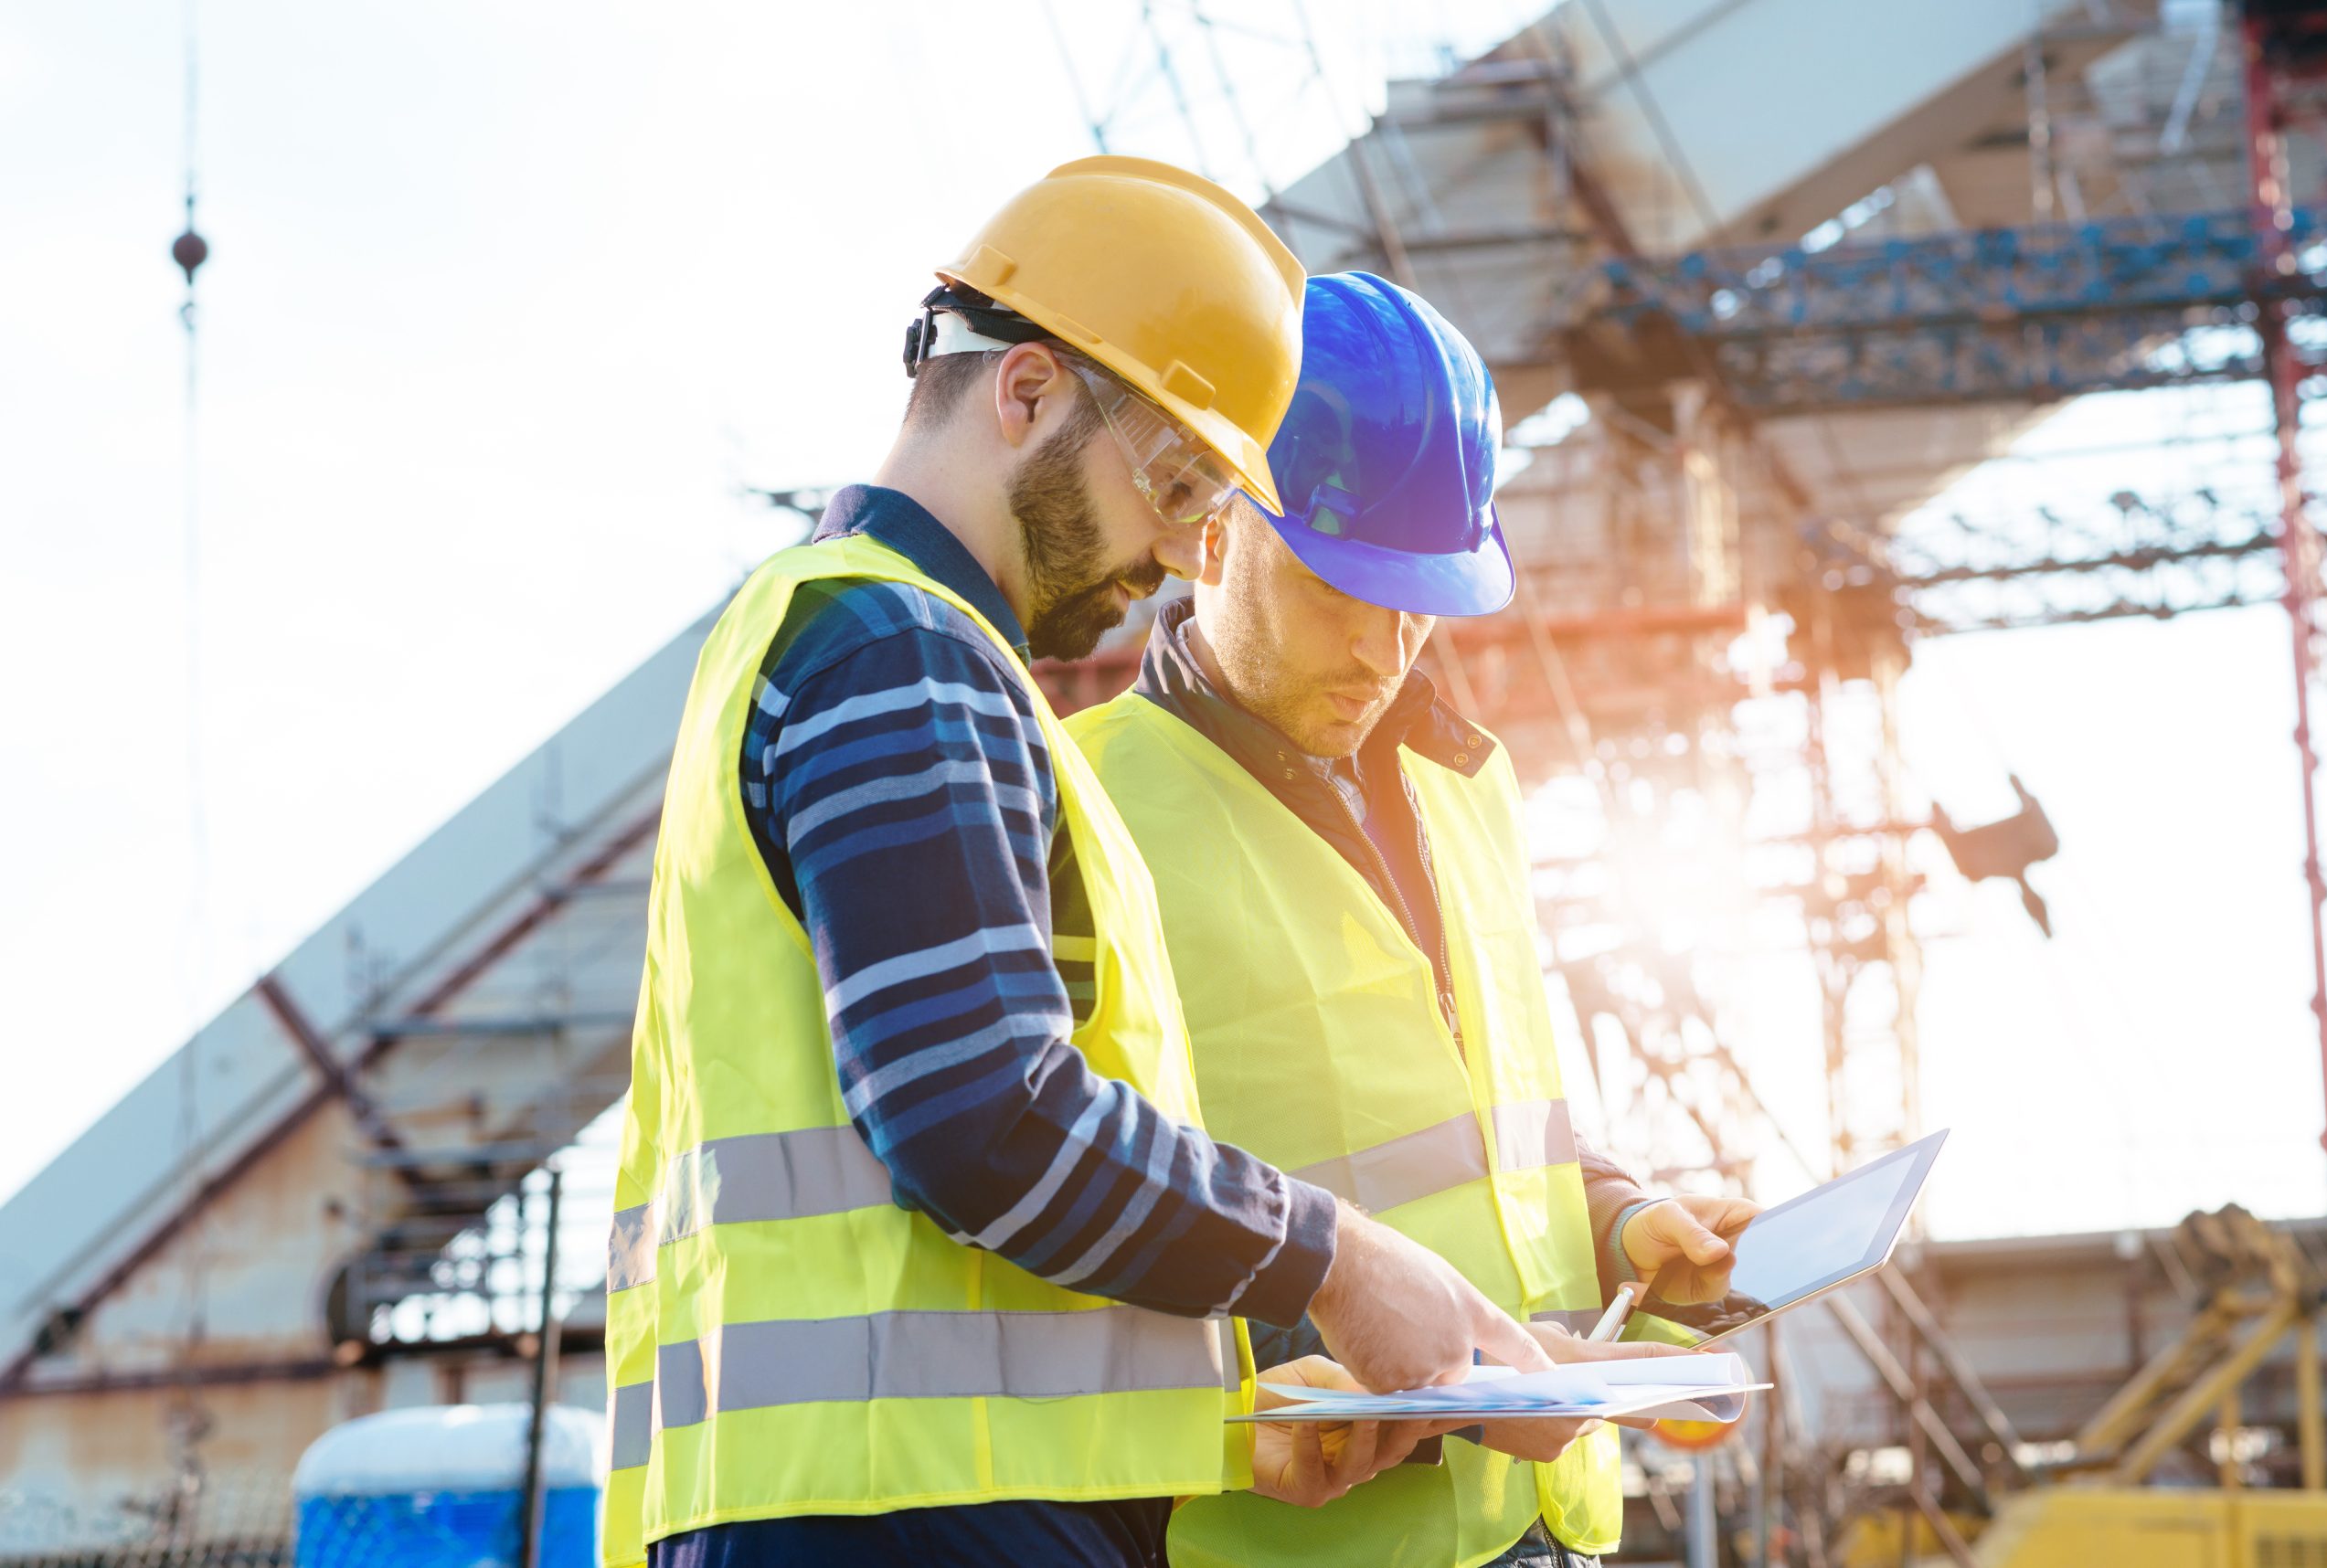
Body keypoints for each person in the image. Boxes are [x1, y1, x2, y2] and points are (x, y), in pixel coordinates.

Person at [599, 162, 1570, 1568]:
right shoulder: (904, 656)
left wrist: (1223, 1421)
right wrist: (1333, 1257)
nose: (1181, 551)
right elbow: (980, 1115)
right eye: (1174, 481)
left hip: (882, 1499)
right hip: (910, 1522)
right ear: (1028, 392)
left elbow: (942, 1218)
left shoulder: (852, 639)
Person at [1067, 272, 1760, 1568]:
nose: (1386, 651)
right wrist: (1379, 1365)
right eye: (1340, 589)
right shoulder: (1081, 805)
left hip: (1542, 1529)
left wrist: (1619, 1219)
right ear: (1210, 528)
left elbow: (1490, 1125)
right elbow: (1056, 1207)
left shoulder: (1469, 785)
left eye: (1420, 598)